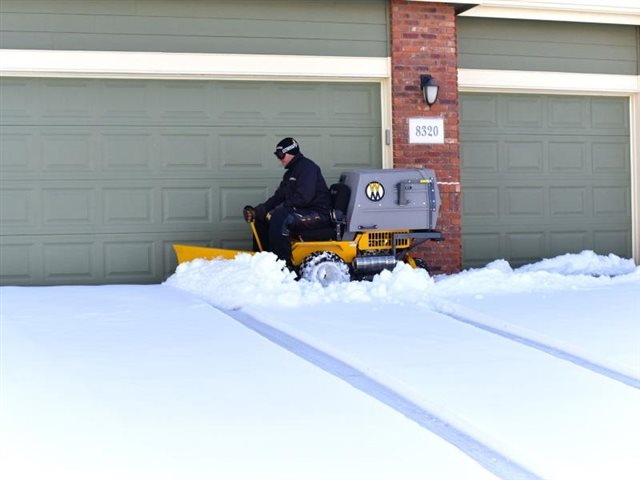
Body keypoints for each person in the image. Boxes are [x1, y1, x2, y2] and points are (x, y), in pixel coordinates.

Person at [243, 137, 332, 267]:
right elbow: (279, 196)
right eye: (277, 155)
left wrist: (276, 211)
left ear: (291, 152)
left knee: (280, 217)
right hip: (303, 210)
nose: (279, 159)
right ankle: (263, 260)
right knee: (262, 218)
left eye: (280, 155)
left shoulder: (308, 168)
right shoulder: (290, 173)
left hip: (319, 213)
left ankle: (283, 265)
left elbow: (303, 197)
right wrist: (259, 210)